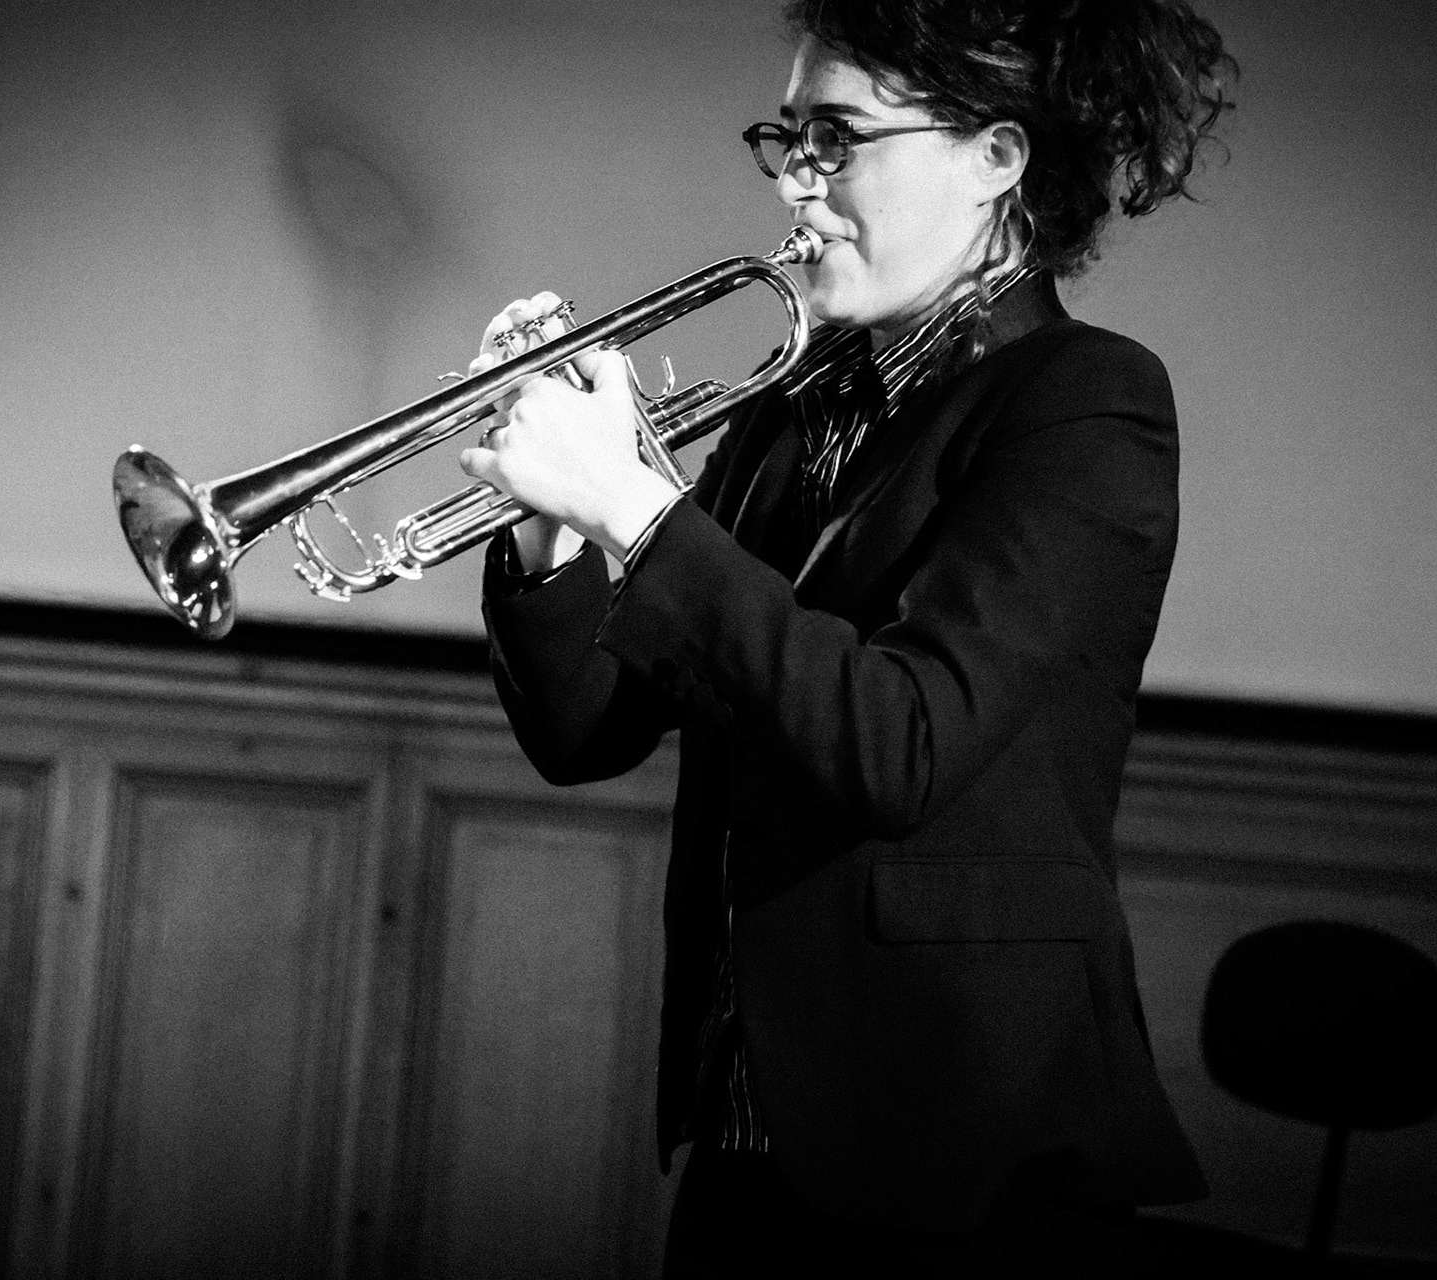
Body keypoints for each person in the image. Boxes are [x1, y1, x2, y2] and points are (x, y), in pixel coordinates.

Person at [458, 1, 1234, 1274]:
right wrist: (549, 526)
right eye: (789, 140)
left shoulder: (1085, 400)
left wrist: (637, 506)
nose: (799, 184)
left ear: (996, 157)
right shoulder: (787, 409)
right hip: (747, 1124)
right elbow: (583, 729)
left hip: (958, 1145)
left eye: (841, 138)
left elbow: (902, 742)